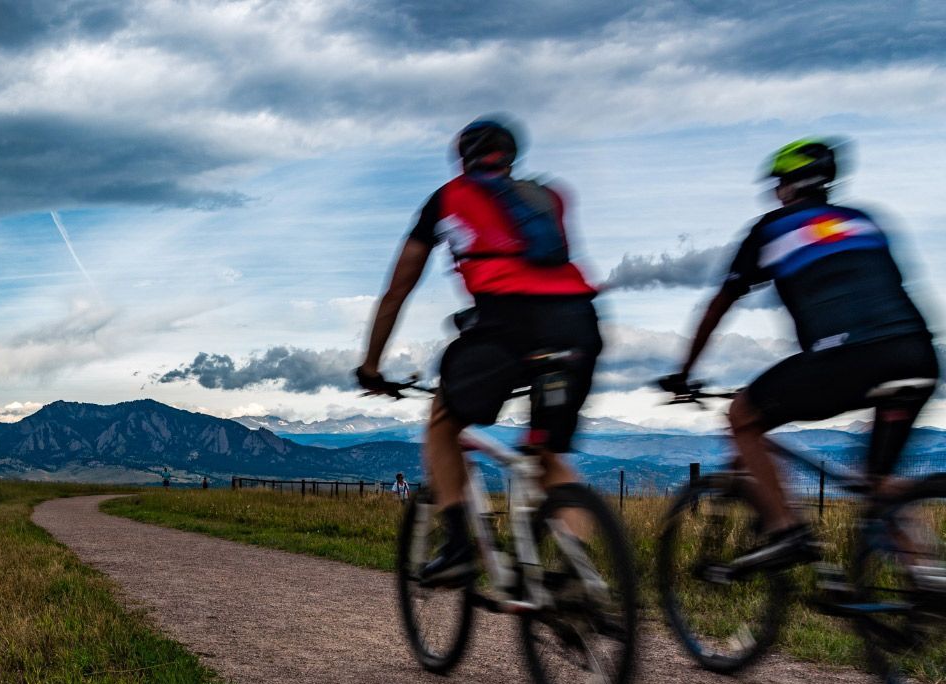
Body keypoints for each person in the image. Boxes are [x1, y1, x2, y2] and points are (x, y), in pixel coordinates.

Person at [662, 138, 937, 572]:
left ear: (787, 186)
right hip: (916, 355)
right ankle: (928, 579)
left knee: (742, 415)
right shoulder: (863, 221)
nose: (776, 193)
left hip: (847, 358)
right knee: (879, 483)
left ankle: (787, 531)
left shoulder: (772, 228)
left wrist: (683, 372)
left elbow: (719, 304)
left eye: (778, 184)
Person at [357, 116, 603, 585]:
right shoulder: (547, 197)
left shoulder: (448, 198)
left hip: (506, 324)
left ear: (462, 158)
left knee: (443, 419)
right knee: (549, 452)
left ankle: (457, 548)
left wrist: (371, 366)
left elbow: (396, 292)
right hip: (579, 325)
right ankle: (582, 577)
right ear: (511, 156)